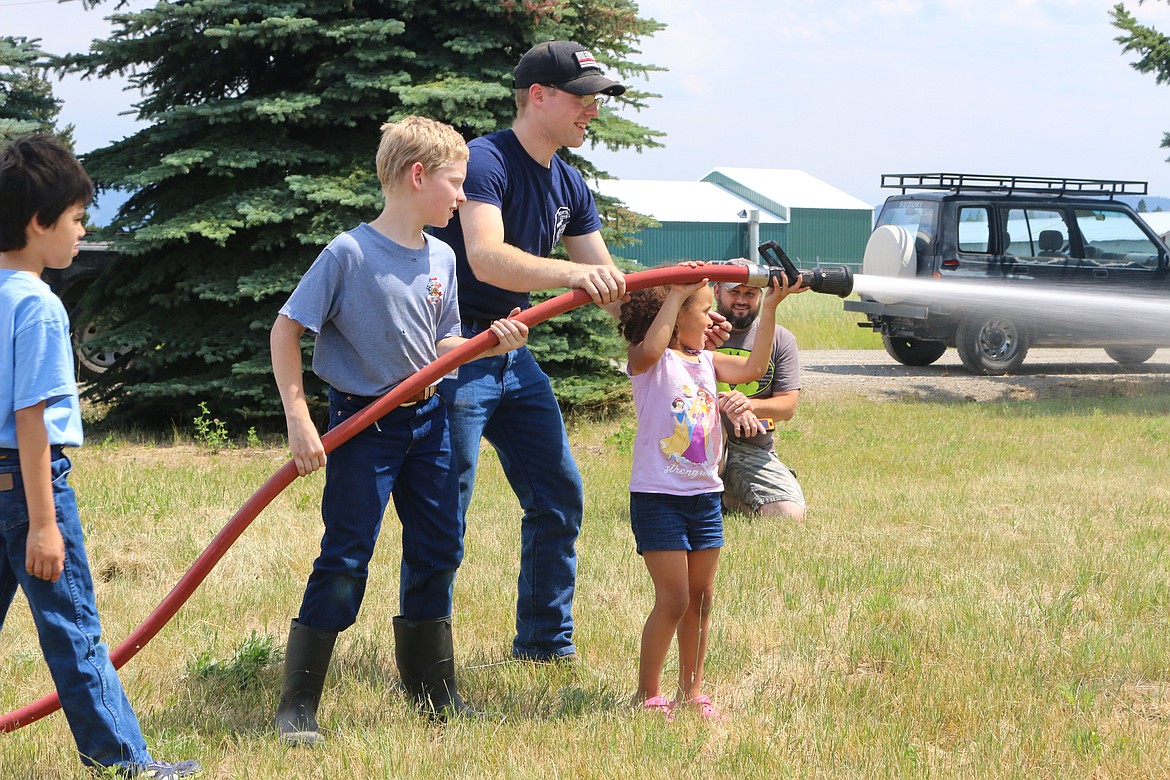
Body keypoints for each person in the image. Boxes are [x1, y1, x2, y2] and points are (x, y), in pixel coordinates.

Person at [270, 116, 529, 740]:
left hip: (430, 421)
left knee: (441, 545)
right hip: (363, 426)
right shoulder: (349, 253)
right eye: (455, 183)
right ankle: (298, 702)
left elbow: (441, 341)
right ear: (418, 176)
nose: (462, 196)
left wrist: (484, 345)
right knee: (346, 555)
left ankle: (431, 690)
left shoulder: (440, 254)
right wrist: (300, 419)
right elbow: (286, 330)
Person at [0, 134, 202, 779]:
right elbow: (30, 417)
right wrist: (42, 521)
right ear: (38, 223)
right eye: (78, 219)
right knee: (74, 629)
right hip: (29, 488)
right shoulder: (37, 306)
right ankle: (124, 764)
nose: (83, 233)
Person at [428, 40, 632, 663]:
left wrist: (680, 312)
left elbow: (612, 288)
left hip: (513, 360)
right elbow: (487, 256)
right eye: (582, 96)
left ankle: (545, 645)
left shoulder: (570, 182)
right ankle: (429, 662)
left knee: (558, 496)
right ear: (537, 95)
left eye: (596, 98)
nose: (592, 110)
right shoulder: (484, 161)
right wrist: (570, 278)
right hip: (455, 355)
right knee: (444, 512)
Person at [616, 266, 798, 720]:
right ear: (677, 317)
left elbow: (755, 367)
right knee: (674, 599)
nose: (715, 319)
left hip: (704, 497)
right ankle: (648, 693)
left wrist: (771, 306)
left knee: (701, 598)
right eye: (704, 310)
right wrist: (678, 296)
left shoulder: (707, 362)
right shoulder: (652, 361)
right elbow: (652, 347)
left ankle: (692, 691)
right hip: (659, 498)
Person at [714, 267, 808, 521]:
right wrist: (725, 407)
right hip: (699, 445)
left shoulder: (781, 338)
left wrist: (748, 406)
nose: (742, 300)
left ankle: (729, 497)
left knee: (789, 515)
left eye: (750, 293)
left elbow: (787, 407)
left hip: (752, 446)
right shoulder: (699, 332)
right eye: (734, 292)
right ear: (716, 292)